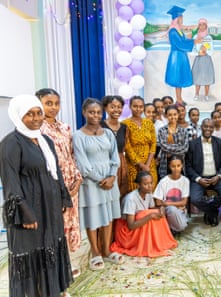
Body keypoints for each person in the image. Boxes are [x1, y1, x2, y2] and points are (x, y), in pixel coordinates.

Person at [0, 95, 73, 297]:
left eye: (38, 112)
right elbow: (10, 182)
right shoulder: (10, 144)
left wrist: (63, 197)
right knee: (31, 253)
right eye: (29, 114)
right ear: (17, 116)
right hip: (29, 211)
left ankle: (51, 291)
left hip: (49, 208)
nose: (36, 118)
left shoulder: (45, 140)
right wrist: (25, 213)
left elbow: (55, 171)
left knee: (49, 247)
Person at [36, 88, 82, 278]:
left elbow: (72, 155)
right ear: (39, 103)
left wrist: (78, 179)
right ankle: (53, 268)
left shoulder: (65, 127)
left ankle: (67, 264)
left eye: (56, 103)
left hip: (72, 183)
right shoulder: (36, 129)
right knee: (56, 225)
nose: (53, 107)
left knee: (71, 224)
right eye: (49, 103)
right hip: (53, 185)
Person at [73, 98, 123, 271]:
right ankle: (95, 252)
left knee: (108, 216)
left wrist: (111, 177)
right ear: (84, 113)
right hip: (92, 184)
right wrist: (100, 180)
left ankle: (107, 250)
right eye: (91, 112)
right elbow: (82, 164)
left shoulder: (108, 133)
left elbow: (115, 157)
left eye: (98, 112)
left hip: (110, 181)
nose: (95, 115)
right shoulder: (78, 136)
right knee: (93, 218)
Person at [110, 171, 177, 257]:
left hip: (136, 228)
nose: (150, 186)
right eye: (146, 184)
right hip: (126, 233)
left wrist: (161, 208)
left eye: (151, 183)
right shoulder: (130, 199)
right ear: (139, 185)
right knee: (146, 215)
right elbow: (131, 225)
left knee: (157, 213)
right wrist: (150, 216)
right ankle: (147, 247)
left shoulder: (148, 193)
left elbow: (152, 209)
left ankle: (158, 243)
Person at [186, 119, 221, 227]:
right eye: (205, 126)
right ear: (201, 127)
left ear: (213, 128)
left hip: (216, 178)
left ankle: (209, 211)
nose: (208, 129)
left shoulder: (218, 142)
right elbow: (188, 166)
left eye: (211, 127)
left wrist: (219, 176)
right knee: (195, 199)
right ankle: (212, 212)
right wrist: (198, 179)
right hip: (199, 178)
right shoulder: (193, 144)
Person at [165, 5, 202, 105]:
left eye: (182, 17)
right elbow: (179, 44)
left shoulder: (179, 30)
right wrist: (193, 42)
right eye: (180, 17)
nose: (182, 19)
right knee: (177, 78)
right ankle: (178, 99)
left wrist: (193, 40)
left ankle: (179, 99)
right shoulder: (173, 31)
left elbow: (184, 40)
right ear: (176, 19)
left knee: (180, 78)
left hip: (181, 56)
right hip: (176, 56)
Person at [122, 96, 157, 190]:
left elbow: (153, 143)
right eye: (135, 106)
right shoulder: (125, 124)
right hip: (133, 165)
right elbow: (127, 147)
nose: (138, 109)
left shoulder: (149, 123)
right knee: (135, 190)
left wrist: (147, 164)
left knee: (150, 190)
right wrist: (140, 164)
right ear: (130, 107)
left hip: (149, 164)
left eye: (141, 106)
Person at [153, 156, 190, 234]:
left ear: (182, 166)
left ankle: (172, 227)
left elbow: (184, 202)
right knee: (172, 210)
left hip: (180, 210)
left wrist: (167, 203)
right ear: (169, 167)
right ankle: (172, 227)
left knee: (182, 225)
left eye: (178, 166)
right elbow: (158, 202)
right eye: (173, 166)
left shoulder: (185, 181)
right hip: (168, 211)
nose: (176, 169)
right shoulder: (164, 181)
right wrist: (173, 205)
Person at [102, 95, 129, 197]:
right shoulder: (100, 126)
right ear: (105, 108)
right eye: (112, 107)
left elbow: (125, 146)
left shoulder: (124, 127)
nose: (116, 110)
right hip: (106, 165)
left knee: (121, 195)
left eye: (119, 107)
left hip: (121, 165)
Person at [157, 105, 189, 179]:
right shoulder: (162, 130)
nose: (173, 117)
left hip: (180, 164)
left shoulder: (183, 130)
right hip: (165, 163)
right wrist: (178, 146)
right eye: (170, 115)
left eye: (175, 114)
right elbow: (164, 146)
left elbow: (185, 148)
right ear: (166, 116)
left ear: (178, 115)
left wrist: (170, 151)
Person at [192, 18, 215, 101]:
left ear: (206, 26)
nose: (202, 26)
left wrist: (206, 51)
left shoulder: (209, 38)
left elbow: (211, 50)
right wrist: (198, 53)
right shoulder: (195, 37)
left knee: (207, 77)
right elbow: (192, 50)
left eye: (203, 25)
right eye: (200, 25)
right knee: (197, 77)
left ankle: (206, 95)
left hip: (206, 60)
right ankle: (197, 94)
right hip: (198, 60)